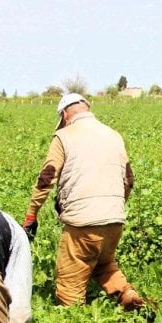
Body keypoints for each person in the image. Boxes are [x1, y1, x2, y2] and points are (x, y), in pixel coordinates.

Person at [22, 93, 144, 309]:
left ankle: (76, 320)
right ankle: (126, 293)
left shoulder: (64, 136)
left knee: (70, 281)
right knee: (104, 264)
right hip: (114, 219)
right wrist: (115, 206)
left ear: (65, 115)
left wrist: (32, 214)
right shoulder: (114, 135)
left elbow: (47, 177)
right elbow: (129, 179)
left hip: (83, 222)